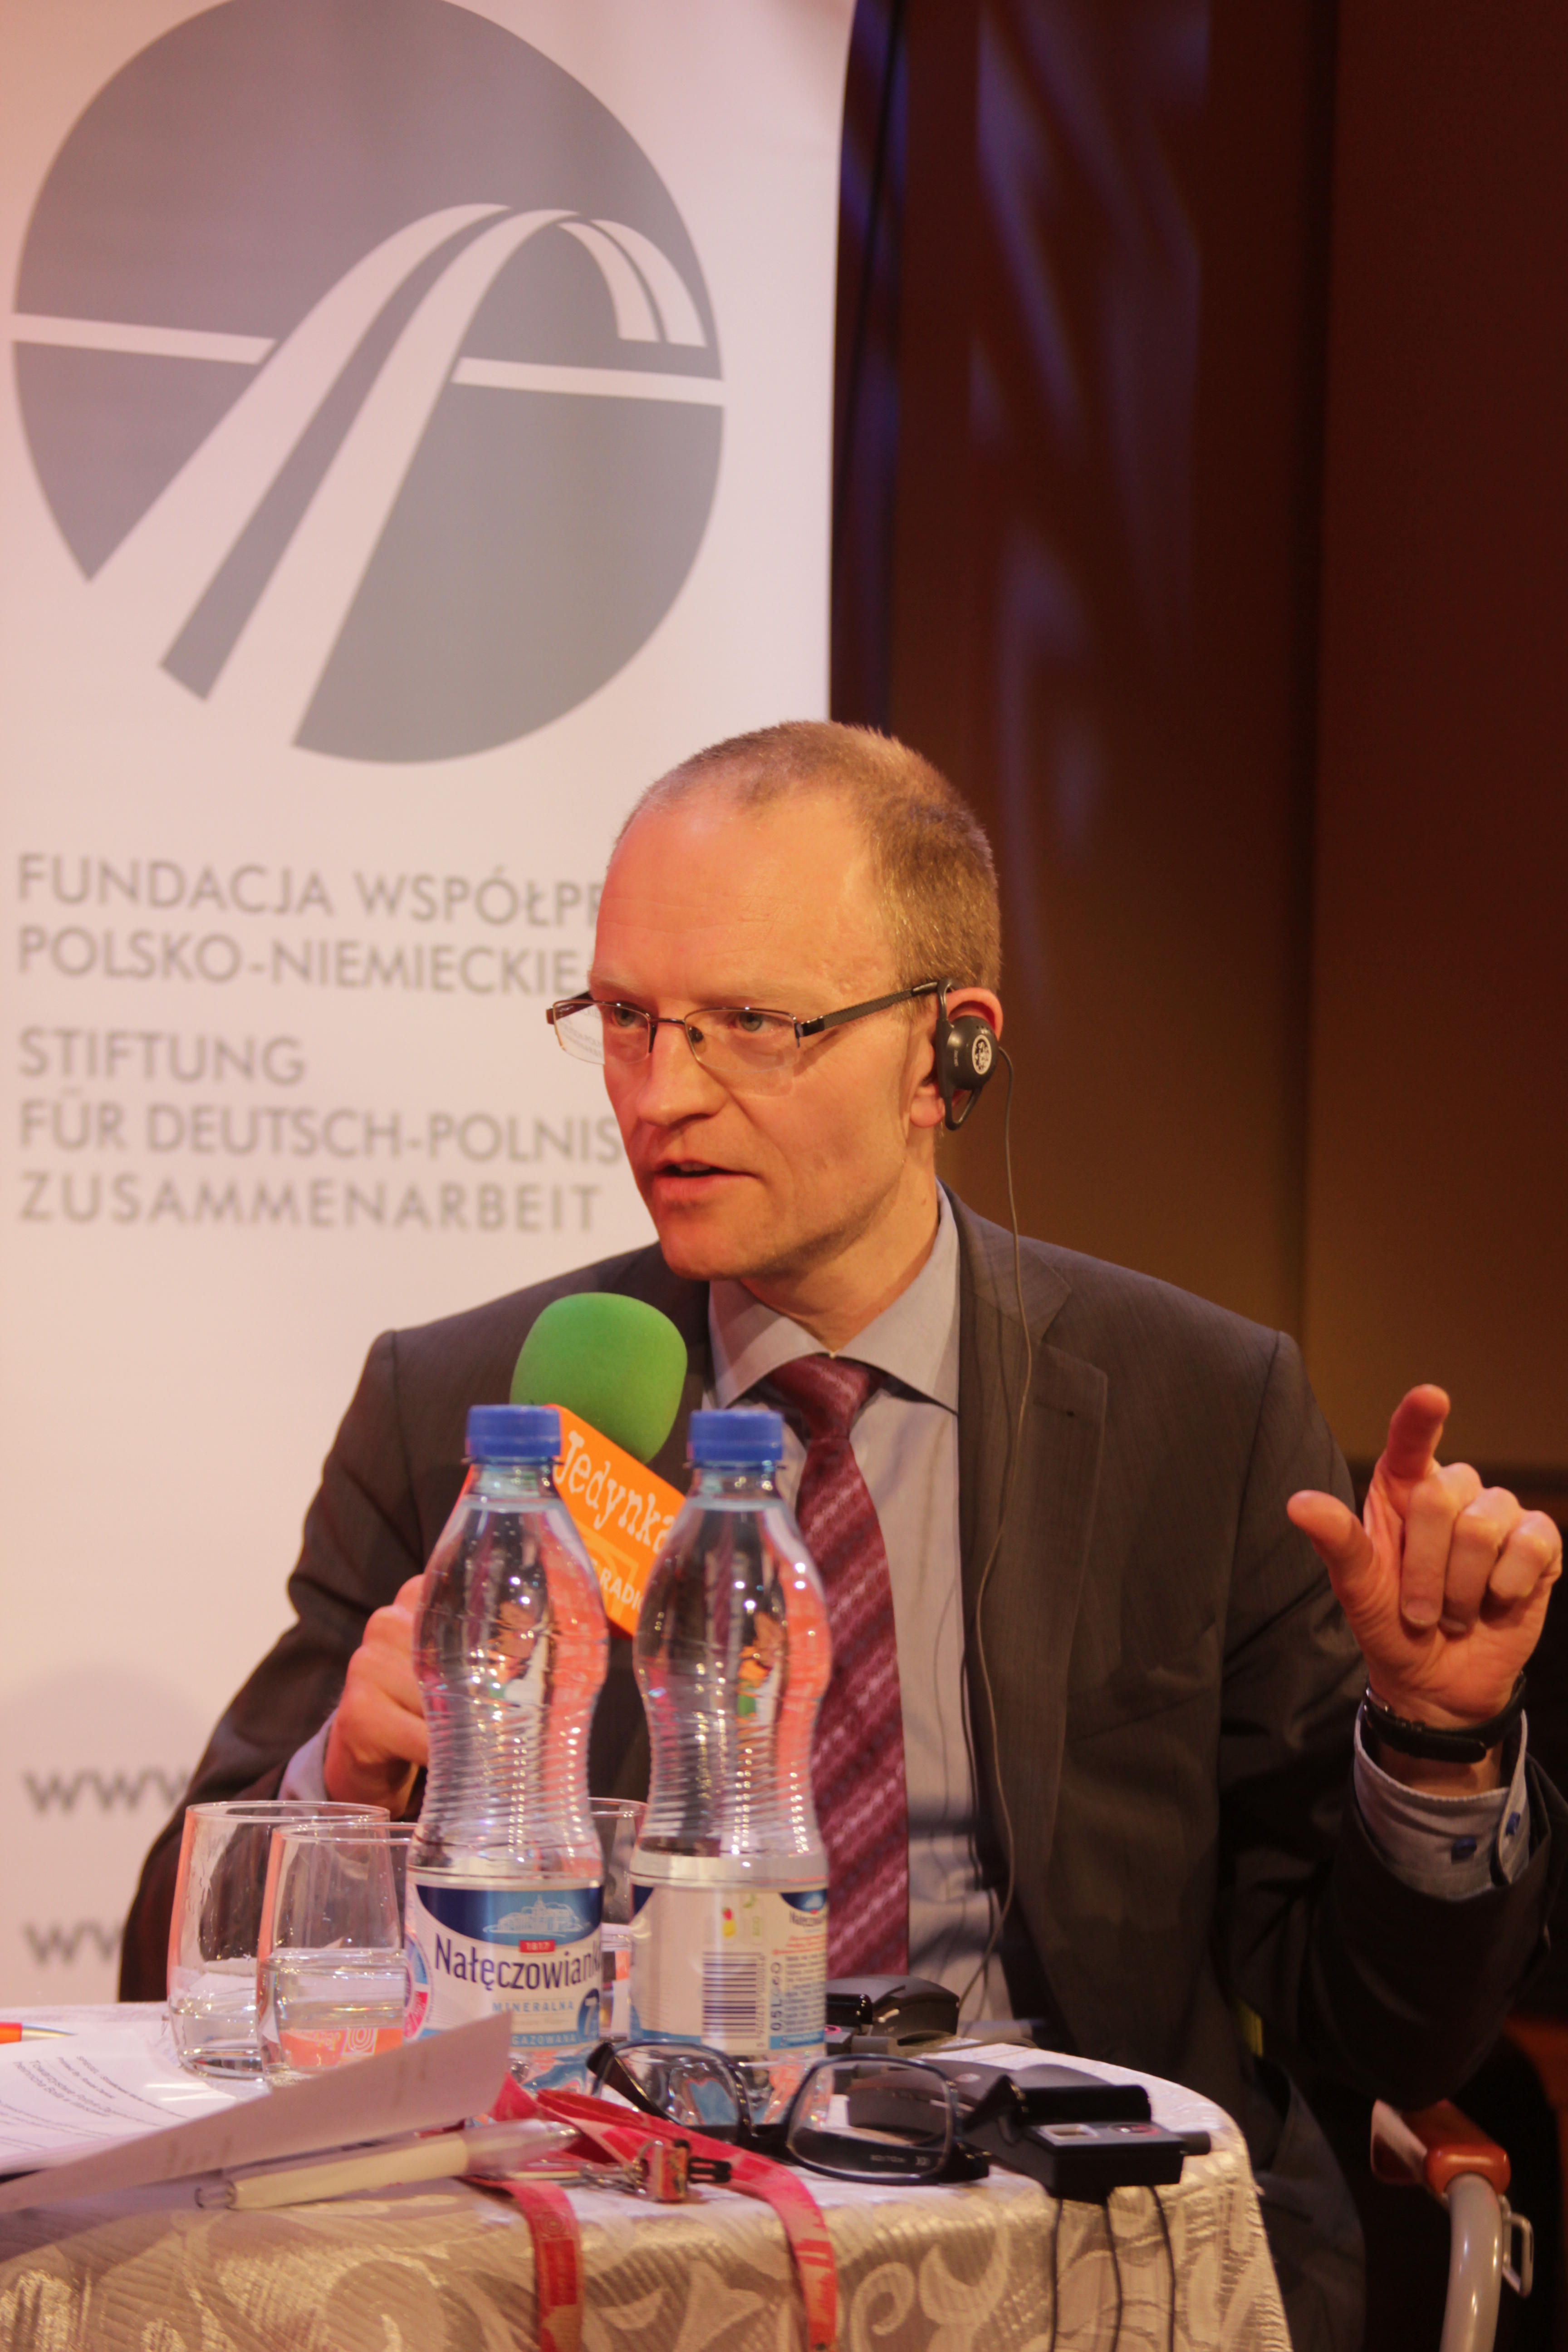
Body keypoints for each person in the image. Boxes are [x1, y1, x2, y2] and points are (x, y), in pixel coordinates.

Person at [123, 722, 1563, 2350]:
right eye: (625, 1020)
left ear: (950, 1054)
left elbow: (1377, 2030)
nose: (663, 1093)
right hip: (603, 2250)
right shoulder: (474, 1407)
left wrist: (1435, 1746)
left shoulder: (1198, 1411)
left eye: (753, 1025)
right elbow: (172, 1948)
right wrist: (351, 1777)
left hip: (1065, 2258)